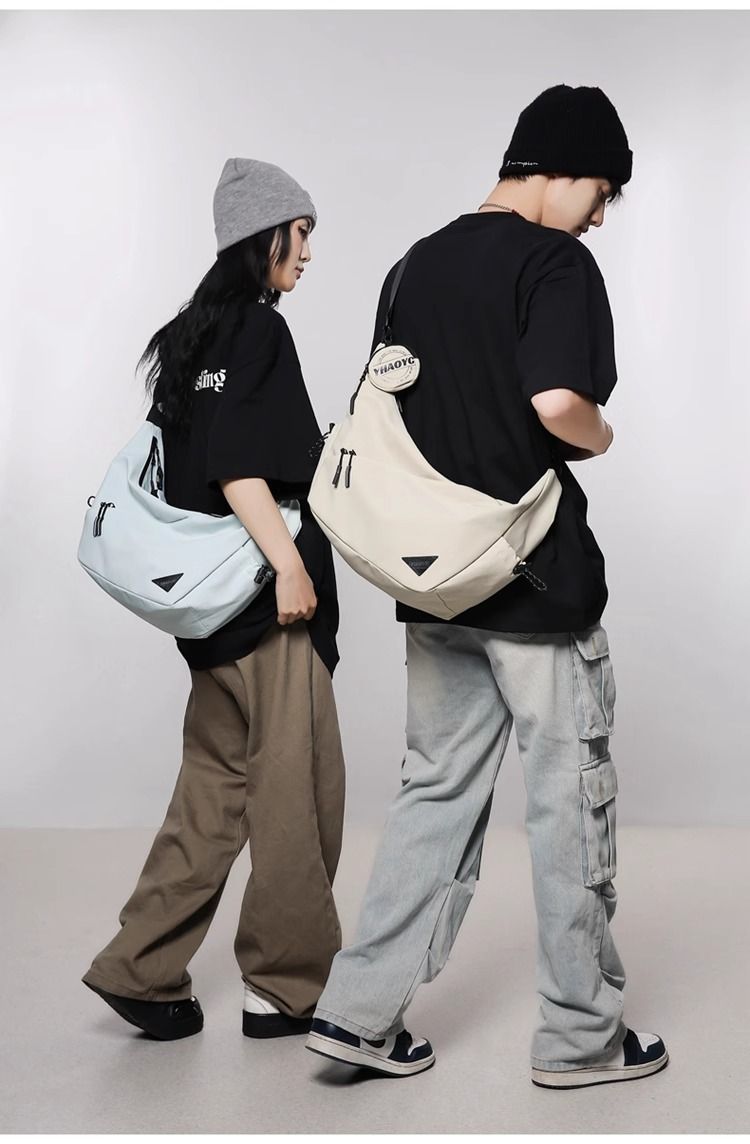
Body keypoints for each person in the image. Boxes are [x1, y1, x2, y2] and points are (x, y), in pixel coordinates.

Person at [306, 86, 668, 1087]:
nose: (601, 216)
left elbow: (395, 412)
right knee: (568, 802)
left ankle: (358, 1015)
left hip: (435, 582)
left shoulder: (413, 264)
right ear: (561, 170)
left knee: (433, 792)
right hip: (533, 583)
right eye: (602, 192)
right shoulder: (555, 262)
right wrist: (601, 433)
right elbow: (558, 403)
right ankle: (581, 1039)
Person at [82, 159, 346, 1042]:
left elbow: (185, 468)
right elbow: (238, 467)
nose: (308, 251)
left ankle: (142, 967)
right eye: (300, 233)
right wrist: (293, 570)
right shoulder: (262, 333)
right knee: (297, 791)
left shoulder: (189, 338)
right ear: (263, 235)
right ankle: (286, 986)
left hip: (208, 618)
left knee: (212, 792)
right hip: (266, 607)